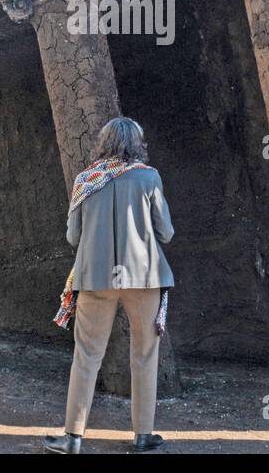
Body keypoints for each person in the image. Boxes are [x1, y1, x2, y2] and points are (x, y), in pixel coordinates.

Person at [43, 117, 174, 454]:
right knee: (145, 355)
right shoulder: (149, 177)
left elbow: (73, 236)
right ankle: (143, 435)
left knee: (86, 355)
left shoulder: (87, 180)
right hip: (144, 278)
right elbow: (167, 233)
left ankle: (72, 438)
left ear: (103, 143)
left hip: (95, 278)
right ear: (138, 144)